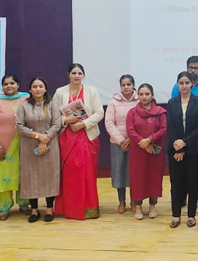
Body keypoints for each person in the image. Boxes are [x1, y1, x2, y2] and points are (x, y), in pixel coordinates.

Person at [52, 63, 104, 220]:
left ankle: (88, 209)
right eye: (73, 73)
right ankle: (67, 208)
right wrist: (66, 120)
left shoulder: (92, 91)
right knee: (69, 174)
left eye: (79, 73)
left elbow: (99, 112)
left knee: (87, 174)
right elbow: (53, 115)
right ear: (68, 74)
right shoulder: (60, 92)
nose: (76, 76)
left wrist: (83, 124)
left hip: (87, 137)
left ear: (83, 75)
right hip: (66, 138)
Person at [171, 56, 198, 211]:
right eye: (190, 67)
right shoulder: (178, 87)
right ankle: (182, 198)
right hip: (181, 136)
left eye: (196, 68)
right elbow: (174, 110)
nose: (193, 70)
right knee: (181, 168)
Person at [0, 74, 30, 220]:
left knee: (23, 176)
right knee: (0, 176)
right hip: (2, 147)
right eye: (6, 84)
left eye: (12, 83)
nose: (9, 86)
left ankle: (24, 203)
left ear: (18, 85)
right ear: (2, 86)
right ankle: (3, 208)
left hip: (24, 147)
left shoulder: (27, 98)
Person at [166, 72, 198, 228]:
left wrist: (184, 143)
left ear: (192, 84)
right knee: (176, 183)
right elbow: (170, 126)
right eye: (181, 83)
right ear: (177, 85)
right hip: (175, 151)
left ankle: (191, 215)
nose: (184, 86)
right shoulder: (171, 103)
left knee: (193, 183)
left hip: (193, 149)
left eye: (186, 83)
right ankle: (176, 215)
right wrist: (177, 146)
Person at [16, 78, 61, 222]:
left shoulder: (52, 104)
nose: (38, 89)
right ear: (30, 90)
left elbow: (57, 123)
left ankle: (49, 209)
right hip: (29, 146)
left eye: (40, 86)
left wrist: (46, 137)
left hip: (50, 145)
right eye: (34, 86)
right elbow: (19, 126)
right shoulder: (23, 106)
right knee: (31, 177)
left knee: (50, 176)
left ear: (45, 89)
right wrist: (37, 136)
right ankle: (34, 210)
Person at [126, 83, 167, 220]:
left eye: (147, 94)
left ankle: (152, 206)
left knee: (154, 177)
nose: (144, 97)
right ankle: (138, 207)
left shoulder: (160, 112)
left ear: (152, 95)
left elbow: (163, 129)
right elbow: (130, 130)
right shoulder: (132, 112)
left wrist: (149, 140)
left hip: (155, 151)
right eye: (141, 94)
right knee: (138, 178)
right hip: (138, 151)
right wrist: (142, 142)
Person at [105, 74, 138, 214]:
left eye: (129, 84)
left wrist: (132, 138)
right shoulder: (113, 102)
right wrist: (121, 140)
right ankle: (121, 201)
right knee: (120, 172)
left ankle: (135, 201)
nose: (126, 87)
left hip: (136, 143)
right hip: (118, 143)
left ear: (133, 85)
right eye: (123, 85)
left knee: (135, 173)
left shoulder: (139, 100)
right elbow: (109, 123)